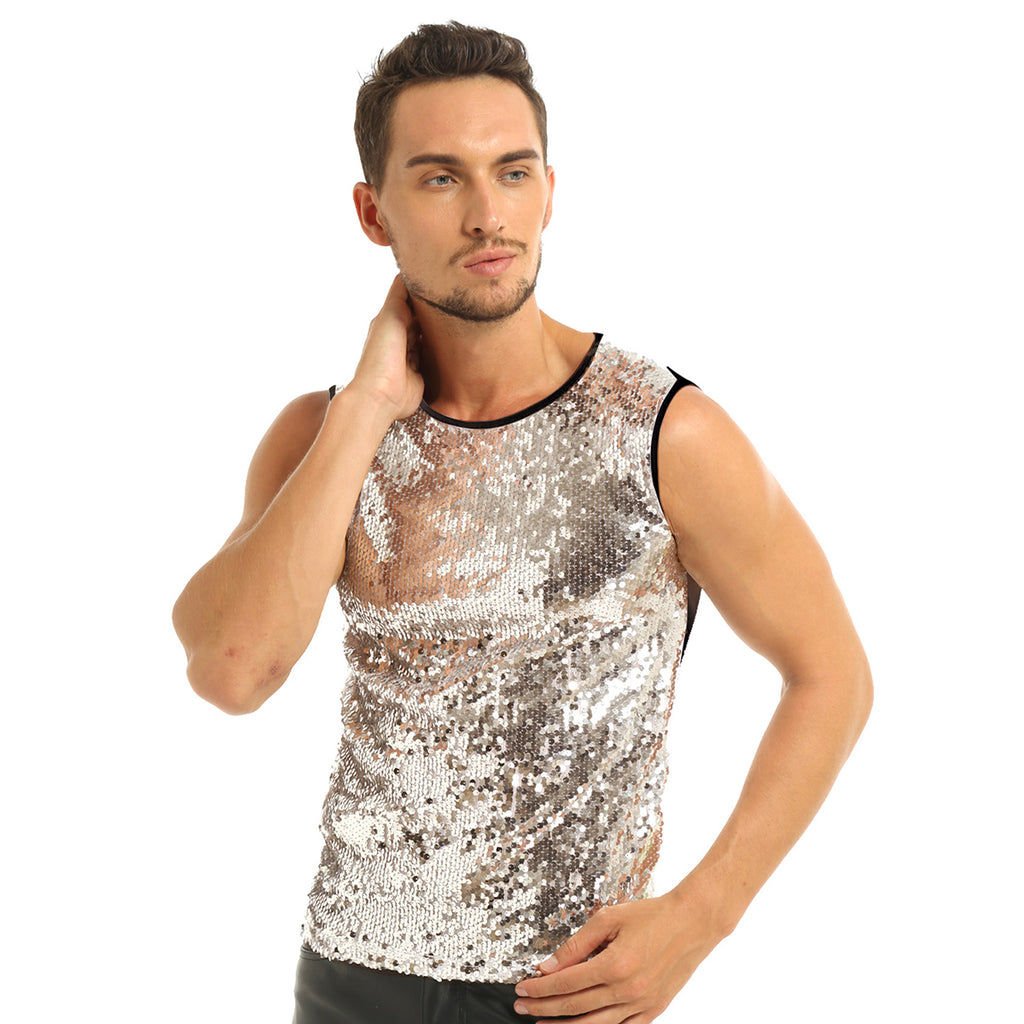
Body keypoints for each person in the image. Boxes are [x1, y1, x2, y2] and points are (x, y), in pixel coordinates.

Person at [172, 22, 872, 1024]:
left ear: (550, 190)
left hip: (571, 990)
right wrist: (366, 408)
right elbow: (233, 671)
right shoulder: (320, 435)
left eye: (513, 171)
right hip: (348, 981)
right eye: (440, 178)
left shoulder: (661, 429)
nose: (487, 215)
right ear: (373, 213)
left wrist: (703, 914)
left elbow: (832, 673)